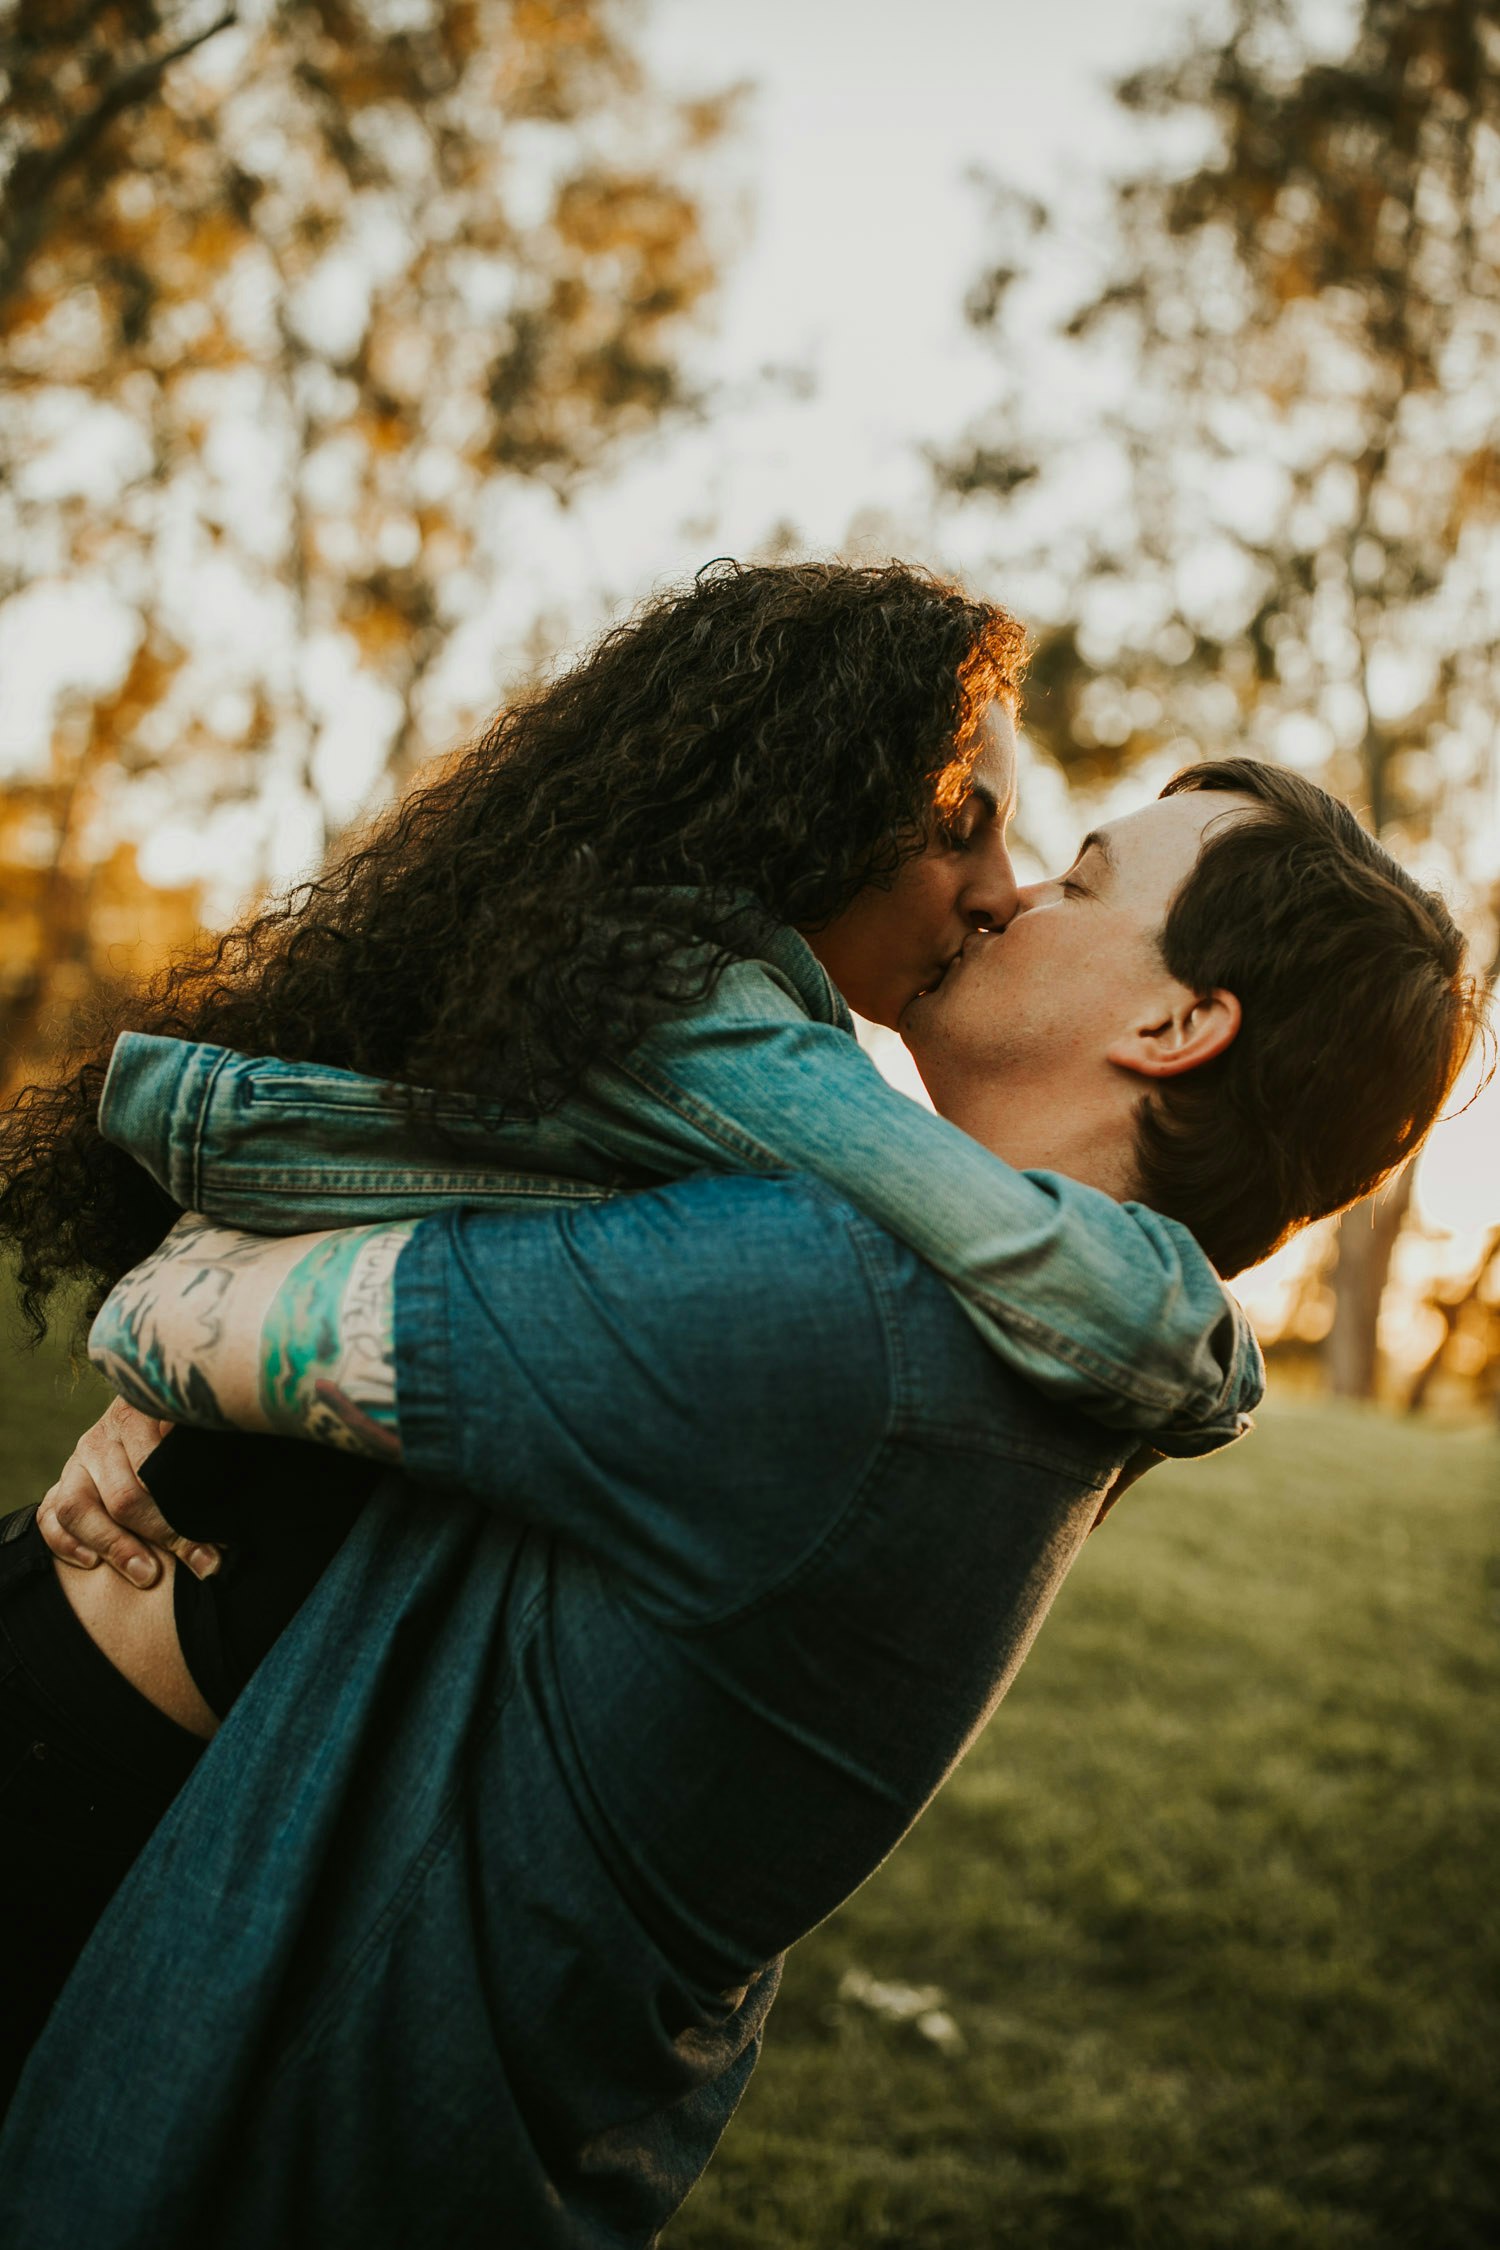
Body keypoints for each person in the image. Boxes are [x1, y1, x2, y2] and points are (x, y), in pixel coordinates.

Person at [3, 725, 1482, 2249]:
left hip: (207, 1979)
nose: (1016, 891)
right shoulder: (1037, 1351)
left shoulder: (868, 1320)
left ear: (1179, 1021)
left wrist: (161, 1358)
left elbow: (192, 1322)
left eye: (1086, 881)